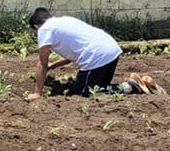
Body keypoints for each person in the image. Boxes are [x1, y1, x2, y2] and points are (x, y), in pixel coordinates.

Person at [26, 7, 158, 100]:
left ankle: (130, 86)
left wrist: (38, 92)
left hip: (97, 58)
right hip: (110, 51)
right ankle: (137, 84)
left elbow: (41, 64)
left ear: (36, 26)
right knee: (98, 87)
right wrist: (52, 66)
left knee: (83, 94)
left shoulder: (44, 29)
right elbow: (71, 57)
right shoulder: (64, 21)